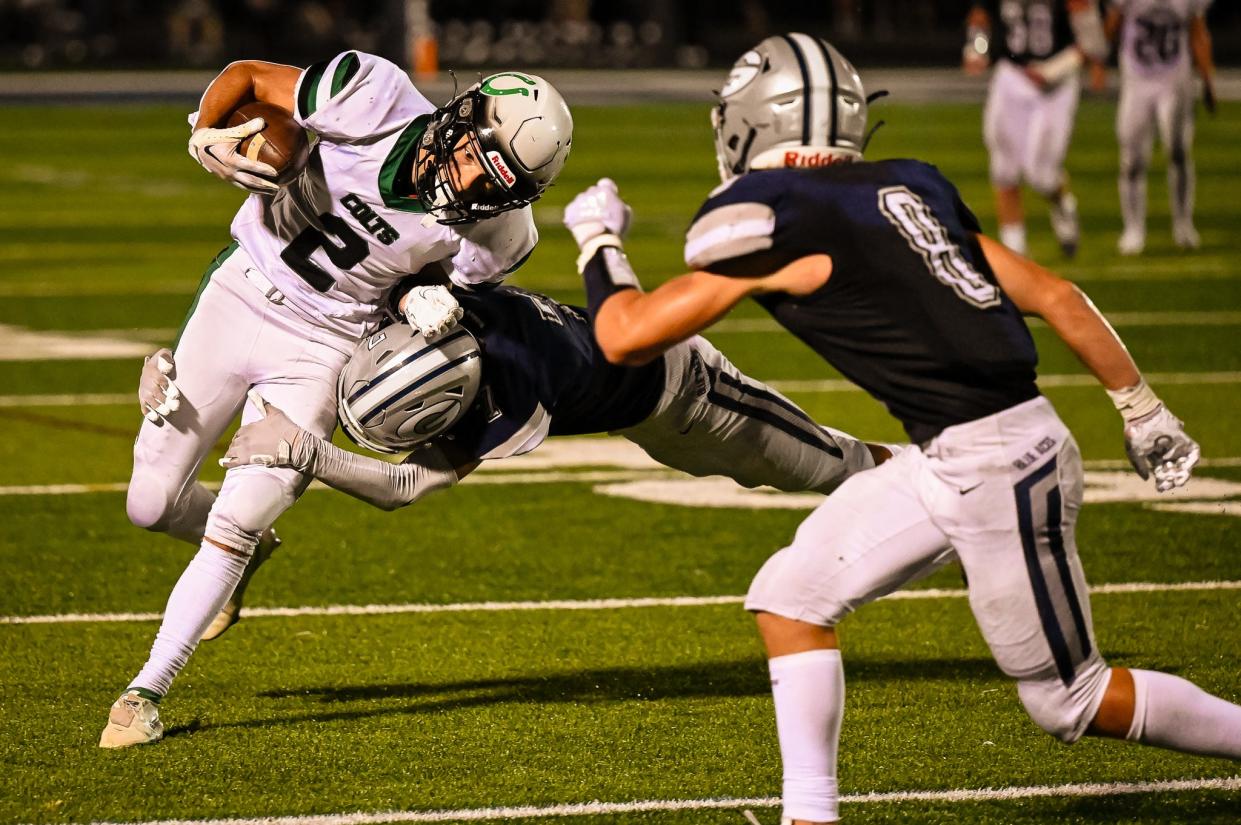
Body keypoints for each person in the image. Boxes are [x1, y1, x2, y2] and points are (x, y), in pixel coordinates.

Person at [562, 33, 1240, 824]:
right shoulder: (908, 187)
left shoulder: (779, 215)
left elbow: (622, 335)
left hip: (1001, 462)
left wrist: (598, 240)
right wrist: (1141, 407)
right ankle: (808, 816)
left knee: (1071, 699)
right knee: (791, 595)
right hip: (952, 452)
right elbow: (1055, 294)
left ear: (748, 121)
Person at [100, 53, 573, 749]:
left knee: (237, 514)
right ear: (460, 117)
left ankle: (145, 689)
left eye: (496, 186)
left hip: (320, 349)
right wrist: (205, 129)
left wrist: (419, 296)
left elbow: (421, 279)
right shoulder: (373, 94)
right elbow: (251, 77)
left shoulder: (498, 236)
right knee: (148, 503)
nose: (472, 184)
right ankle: (250, 552)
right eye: (477, 158)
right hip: (240, 292)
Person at [215, 282, 891, 527]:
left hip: (691, 392)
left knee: (835, 466)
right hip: (644, 418)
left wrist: (307, 452)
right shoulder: (451, 315)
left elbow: (401, 486)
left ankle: (950, 477)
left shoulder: (523, 396)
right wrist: (406, 294)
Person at [963, 0, 1108, 257]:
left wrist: (1065, 66)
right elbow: (980, 15)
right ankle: (1015, 250)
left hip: (1055, 82)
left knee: (1042, 175)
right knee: (1003, 168)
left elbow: (1090, 34)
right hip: (1013, 73)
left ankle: (1062, 203)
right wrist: (977, 49)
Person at [1106, 0, 1216, 254]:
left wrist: (1208, 79)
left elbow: (1198, 32)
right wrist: (1098, 60)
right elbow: (1110, 29)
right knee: (1132, 159)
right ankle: (1133, 229)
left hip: (1174, 80)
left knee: (1178, 151)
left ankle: (1183, 224)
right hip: (1137, 81)